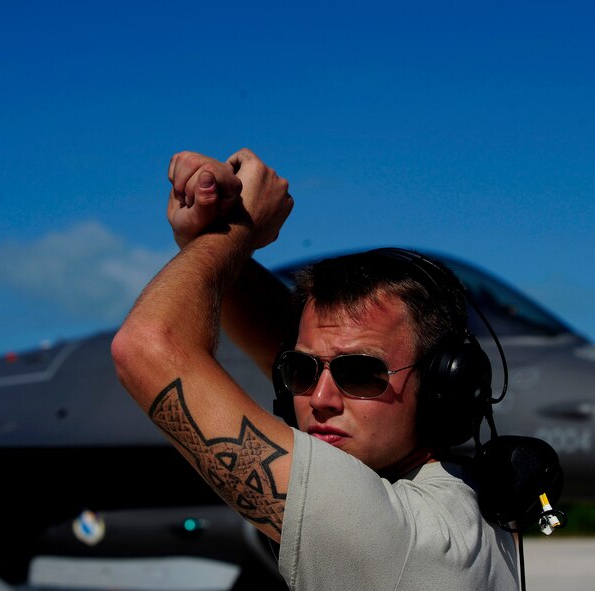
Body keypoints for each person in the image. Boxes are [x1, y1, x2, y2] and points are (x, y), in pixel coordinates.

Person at [111, 148, 520, 590]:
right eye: (301, 372)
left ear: (444, 387)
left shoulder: (392, 534)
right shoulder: (469, 496)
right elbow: (308, 344)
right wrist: (209, 233)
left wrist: (241, 233)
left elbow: (146, 347)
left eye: (361, 374)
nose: (319, 399)